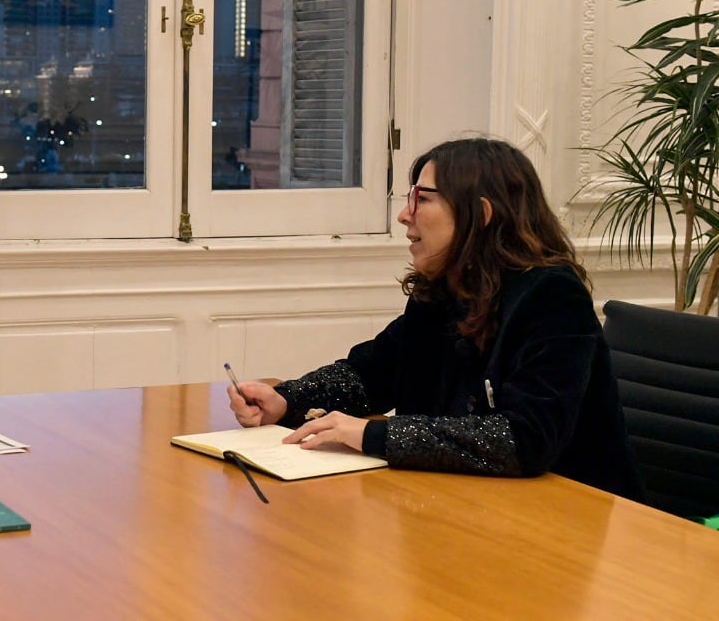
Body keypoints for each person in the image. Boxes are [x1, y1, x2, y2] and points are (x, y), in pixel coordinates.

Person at [228, 137, 644, 499]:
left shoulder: (552, 296)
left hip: (570, 522)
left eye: (422, 199)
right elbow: (372, 373)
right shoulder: (445, 288)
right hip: (466, 505)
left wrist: (373, 435)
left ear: (480, 215)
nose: (404, 216)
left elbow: (526, 438)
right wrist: (288, 400)